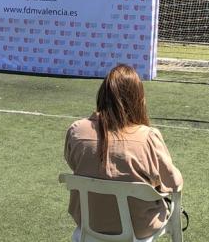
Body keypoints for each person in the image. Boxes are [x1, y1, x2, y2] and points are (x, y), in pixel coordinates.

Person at [64, 64, 183, 241]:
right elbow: (174, 183)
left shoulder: (77, 131)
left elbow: (73, 163)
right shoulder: (148, 137)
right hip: (139, 228)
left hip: (90, 223)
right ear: (138, 99)